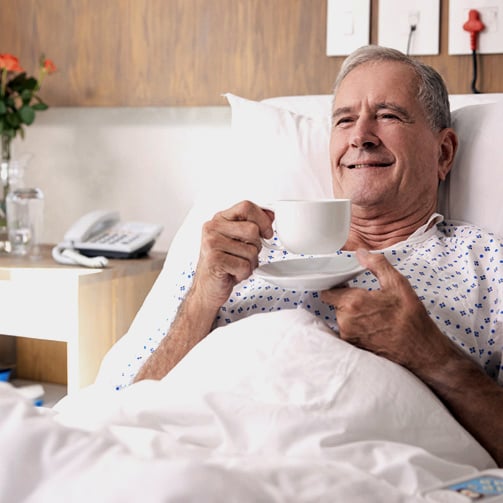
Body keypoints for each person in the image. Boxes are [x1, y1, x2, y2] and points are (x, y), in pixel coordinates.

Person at [128, 45, 503, 466]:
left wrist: (431, 355)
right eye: (344, 120)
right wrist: (201, 298)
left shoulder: (486, 263)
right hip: (190, 456)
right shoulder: (237, 252)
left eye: (388, 115)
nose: (359, 135)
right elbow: (125, 409)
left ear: (444, 153)